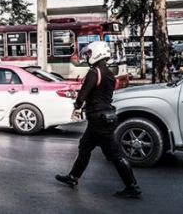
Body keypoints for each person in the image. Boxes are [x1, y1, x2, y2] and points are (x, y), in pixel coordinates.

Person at [55, 41, 142, 198]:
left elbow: (84, 92)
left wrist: (77, 106)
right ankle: (73, 177)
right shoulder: (108, 73)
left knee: (114, 154)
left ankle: (132, 187)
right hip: (102, 118)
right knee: (85, 147)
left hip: (99, 120)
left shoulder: (95, 72)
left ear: (96, 53)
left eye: (89, 53)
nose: (88, 56)